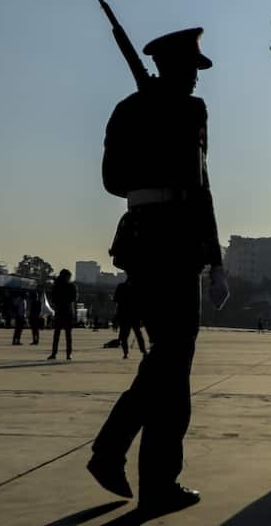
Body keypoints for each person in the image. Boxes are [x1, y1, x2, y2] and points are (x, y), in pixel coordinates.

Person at [88, 28, 228, 515]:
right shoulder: (135, 109)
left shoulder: (189, 111)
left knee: (173, 364)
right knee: (172, 360)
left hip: (174, 243)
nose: (195, 78)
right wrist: (155, 138)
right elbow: (112, 180)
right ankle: (120, 454)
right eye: (190, 69)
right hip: (155, 239)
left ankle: (151, 478)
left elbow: (202, 182)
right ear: (170, 67)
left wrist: (216, 260)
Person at [113, 277, 146, 359]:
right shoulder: (137, 287)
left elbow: (116, 302)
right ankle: (142, 351)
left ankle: (127, 352)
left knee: (126, 335)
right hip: (133, 315)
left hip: (127, 315)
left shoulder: (121, 287)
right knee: (136, 334)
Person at [48, 269, 76, 360]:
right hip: (66, 311)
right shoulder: (70, 286)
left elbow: (53, 298)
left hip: (60, 311)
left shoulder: (57, 286)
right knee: (67, 335)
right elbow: (74, 298)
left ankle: (54, 353)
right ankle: (68, 353)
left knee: (58, 334)